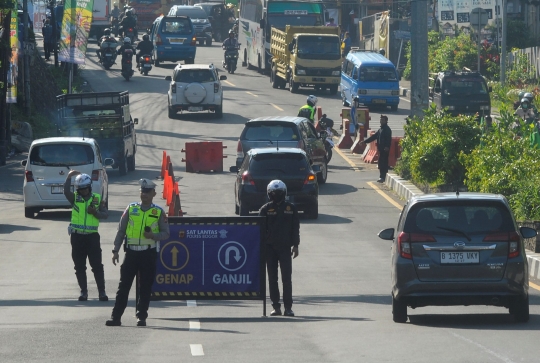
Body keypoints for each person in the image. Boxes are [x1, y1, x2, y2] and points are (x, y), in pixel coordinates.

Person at [106, 179, 170, 327]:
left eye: (148, 192)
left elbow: (166, 233)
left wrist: (153, 236)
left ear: (154, 193)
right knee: (124, 287)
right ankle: (116, 317)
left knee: (145, 287)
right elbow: (121, 231)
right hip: (131, 254)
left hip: (148, 254)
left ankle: (141, 317)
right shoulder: (131, 208)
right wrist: (115, 250)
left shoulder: (158, 211)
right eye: (142, 192)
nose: (145, 195)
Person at [63, 171, 109, 301]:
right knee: (79, 266)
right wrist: (68, 177)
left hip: (92, 237)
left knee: (97, 265)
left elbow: (105, 215)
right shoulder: (75, 198)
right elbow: (66, 192)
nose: (83, 191)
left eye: (85, 188)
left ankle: (102, 292)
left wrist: (95, 212)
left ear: (90, 187)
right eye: (80, 189)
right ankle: (83, 292)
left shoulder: (97, 198)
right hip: (77, 237)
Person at [259, 180, 300, 317]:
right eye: (274, 193)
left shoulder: (291, 208)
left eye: (279, 193)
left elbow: (295, 228)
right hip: (269, 249)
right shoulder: (265, 209)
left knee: (286, 279)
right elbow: (260, 231)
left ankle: (288, 307)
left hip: (285, 248)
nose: (276, 196)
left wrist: (296, 245)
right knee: (272, 278)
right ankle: (276, 306)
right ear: (269, 194)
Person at [359, 115, 392, 183]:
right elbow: (374, 137)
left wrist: (387, 147)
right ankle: (381, 176)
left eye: (382, 120)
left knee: (383, 163)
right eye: (380, 120)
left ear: (386, 121)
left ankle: (383, 177)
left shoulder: (387, 129)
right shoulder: (380, 129)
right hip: (380, 149)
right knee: (380, 163)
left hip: (385, 150)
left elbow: (388, 139)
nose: (381, 121)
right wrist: (365, 141)